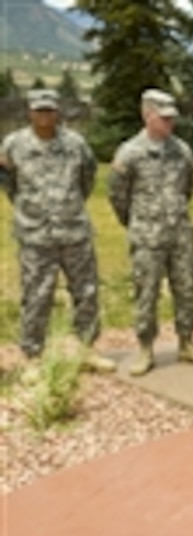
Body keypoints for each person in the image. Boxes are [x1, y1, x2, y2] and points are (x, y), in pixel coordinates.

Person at [0, 88, 116, 379]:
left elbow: (87, 178)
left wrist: (68, 207)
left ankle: (87, 348)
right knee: (36, 295)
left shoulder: (75, 144)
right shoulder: (13, 145)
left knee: (86, 291)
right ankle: (32, 355)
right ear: (29, 112)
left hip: (74, 230)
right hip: (35, 235)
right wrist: (31, 210)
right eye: (39, 111)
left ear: (57, 112)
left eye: (49, 110)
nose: (44, 116)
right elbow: (9, 184)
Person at [108, 88, 193, 376]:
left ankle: (187, 342)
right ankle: (145, 348)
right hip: (147, 236)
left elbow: (188, 188)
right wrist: (135, 222)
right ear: (147, 115)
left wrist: (173, 215)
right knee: (147, 292)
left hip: (180, 233)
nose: (170, 124)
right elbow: (117, 195)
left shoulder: (182, 151)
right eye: (164, 118)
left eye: (172, 119)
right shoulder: (130, 153)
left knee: (186, 288)